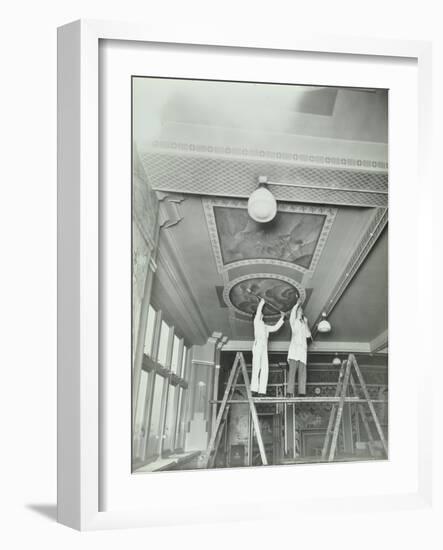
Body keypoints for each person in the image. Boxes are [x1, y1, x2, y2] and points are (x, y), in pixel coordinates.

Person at [251, 298, 284, 395]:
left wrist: (282, 318)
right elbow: (258, 312)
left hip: (264, 347)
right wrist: (262, 302)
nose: (261, 314)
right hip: (257, 345)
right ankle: (254, 389)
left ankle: (261, 390)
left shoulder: (265, 326)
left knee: (265, 368)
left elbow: (275, 328)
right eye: (260, 313)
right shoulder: (256, 322)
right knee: (256, 367)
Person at [287, 298, 312, 396]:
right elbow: (292, 314)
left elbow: (308, 335)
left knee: (302, 373)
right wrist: (296, 305)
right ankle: (289, 392)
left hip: (302, 352)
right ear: (297, 311)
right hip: (294, 352)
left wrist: (306, 323)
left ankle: (302, 392)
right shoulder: (293, 322)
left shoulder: (303, 324)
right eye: (300, 310)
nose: (301, 311)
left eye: (302, 310)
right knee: (292, 372)